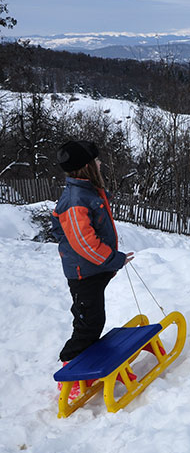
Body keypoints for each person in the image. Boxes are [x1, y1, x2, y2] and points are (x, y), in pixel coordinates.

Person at [51, 141, 133, 393]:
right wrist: (113, 259)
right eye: (96, 161)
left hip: (93, 270)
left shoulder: (86, 191)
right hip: (84, 273)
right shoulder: (77, 198)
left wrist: (106, 263)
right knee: (88, 322)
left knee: (93, 318)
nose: (101, 164)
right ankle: (71, 370)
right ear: (87, 167)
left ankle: (87, 362)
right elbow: (85, 244)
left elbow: (59, 227)